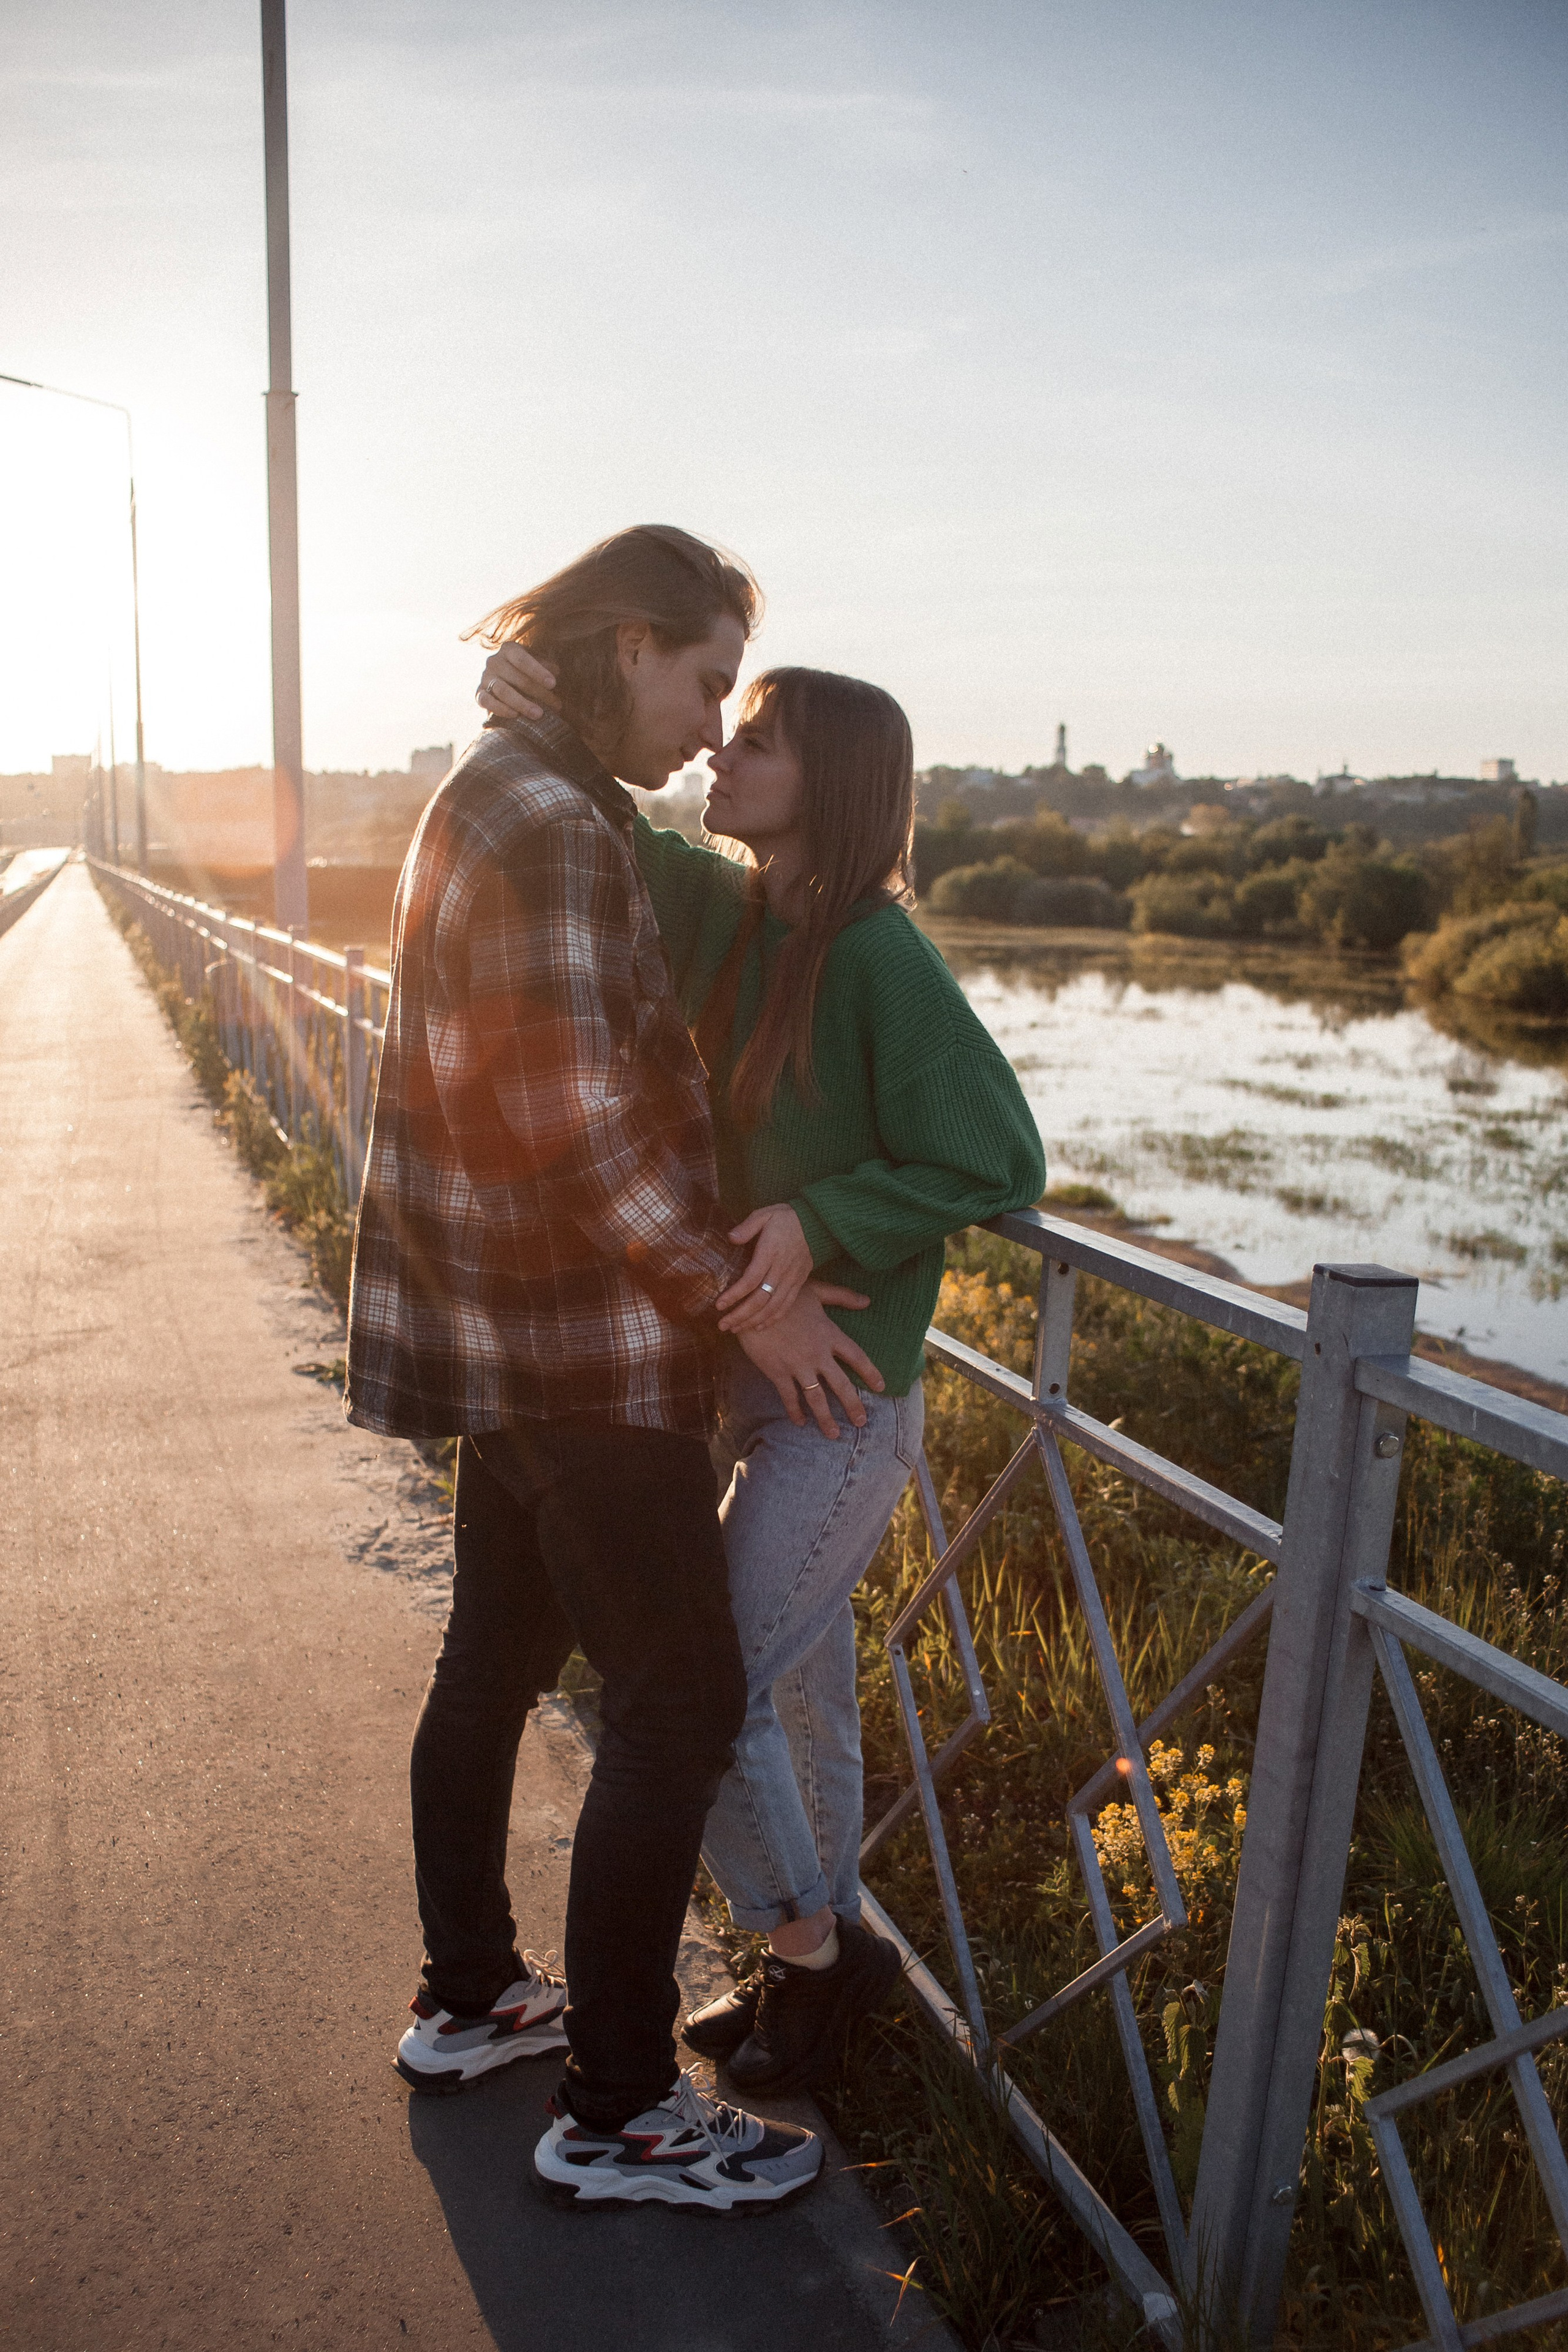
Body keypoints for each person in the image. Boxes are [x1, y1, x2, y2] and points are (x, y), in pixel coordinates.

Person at [346, 524, 881, 2213]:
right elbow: (577, 1121)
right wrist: (757, 1301)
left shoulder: (510, 785)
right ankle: (625, 2107)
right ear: (629, 643)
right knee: (678, 1698)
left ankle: (471, 1997)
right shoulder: (548, 817)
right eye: (707, 678)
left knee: (496, 1652)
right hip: (579, 1339)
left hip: (503, 1326)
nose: (712, 724)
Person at [477, 644, 1047, 2094]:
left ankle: (816, 1958)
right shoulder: (739, 917)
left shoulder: (875, 957)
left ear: (831, 788)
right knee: (800, 1703)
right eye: (725, 729)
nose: (721, 753)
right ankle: (822, 1969)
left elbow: (994, 1155)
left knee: (704, 1694)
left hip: (842, 1404)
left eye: (761, 743)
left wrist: (817, 1217)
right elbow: (609, 830)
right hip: (737, 1369)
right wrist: (542, 710)